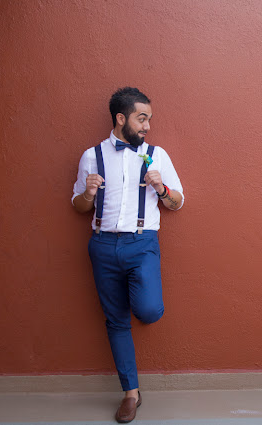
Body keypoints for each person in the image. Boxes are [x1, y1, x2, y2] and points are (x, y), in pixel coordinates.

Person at [71, 87, 184, 423]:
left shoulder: (156, 154)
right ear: (121, 119)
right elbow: (77, 205)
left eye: (149, 118)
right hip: (102, 245)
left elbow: (178, 201)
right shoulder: (91, 156)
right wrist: (88, 194)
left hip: (142, 242)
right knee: (116, 321)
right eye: (142, 118)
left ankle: (144, 313)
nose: (147, 125)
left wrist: (161, 188)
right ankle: (130, 393)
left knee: (148, 311)